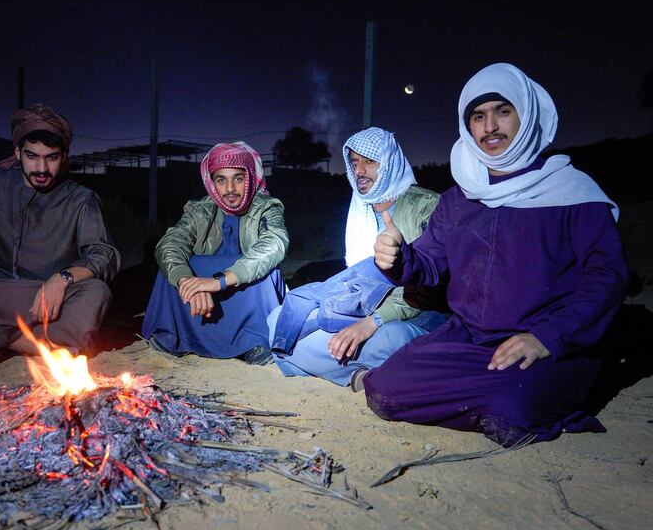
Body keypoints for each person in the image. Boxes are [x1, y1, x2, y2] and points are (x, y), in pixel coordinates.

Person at [365, 63, 629, 445]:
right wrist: (399, 258)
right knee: (384, 389)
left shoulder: (573, 193)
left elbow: (606, 278)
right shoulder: (459, 198)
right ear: (467, 126)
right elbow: (429, 265)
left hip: (545, 345)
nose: (489, 127)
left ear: (528, 115)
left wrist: (547, 337)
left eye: (502, 112)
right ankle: (488, 396)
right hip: (468, 339)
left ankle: (513, 396)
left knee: (512, 407)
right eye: (478, 116)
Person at [0, 104, 120, 367]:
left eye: (51, 158)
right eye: (32, 156)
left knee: (97, 293)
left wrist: (62, 279)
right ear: (18, 153)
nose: (41, 168)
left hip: (46, 298)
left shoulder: (81, 200)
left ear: (64, 157)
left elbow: (104, 254)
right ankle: (32, 345)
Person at [268, 128, 446, 390]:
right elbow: (355, 281)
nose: (359, 170)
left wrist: (372, 322)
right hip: (360, 307)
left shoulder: (427, 206)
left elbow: (431, 285)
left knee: (394, 340)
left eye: (369, 161)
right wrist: (360, 320)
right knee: (279, 318)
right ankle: (359, 375)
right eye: (354, 162)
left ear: (390, 162)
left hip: (411, 312)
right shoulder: (360, 206)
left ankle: (340, 367)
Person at [141, 142, 288, 364]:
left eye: (238, 178)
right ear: (211, 182)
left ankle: (254, 344)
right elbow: (170, 243)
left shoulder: (266, 206)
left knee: (268, 271)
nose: (230, 188)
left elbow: (275, 243)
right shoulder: (200, 209)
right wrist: (189, 283)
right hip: (201, 300)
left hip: (244, 290)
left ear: (249, 178)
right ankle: (176, 338)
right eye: (221, 180)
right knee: (172, 267)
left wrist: (217, 282)